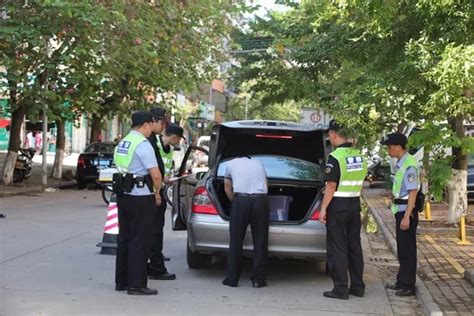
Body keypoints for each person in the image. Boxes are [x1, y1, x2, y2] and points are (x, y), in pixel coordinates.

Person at [113, 111, 163, 296]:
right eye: (151, 125)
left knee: (124, 238)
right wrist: (157, 191)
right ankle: (137, 284)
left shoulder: (124, 142)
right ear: (145, 125)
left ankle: (122, 280)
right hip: (141, 197)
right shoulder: (143, 145)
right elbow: (156, 175)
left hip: (124, 195)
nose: (152, 129)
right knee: (140, 240)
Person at [319, 120, 367, 300]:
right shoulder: (359, 156)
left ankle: (340, 289)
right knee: (354, 246)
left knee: (338, 247)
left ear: (333, 134)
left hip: (338, 206)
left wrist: (323, 208)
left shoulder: (336, 157)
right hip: (354, 204)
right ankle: (358, 287)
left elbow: (331, 185)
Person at [222, 156, 270, 288]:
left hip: (241, 200)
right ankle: (258, 279)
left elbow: (227, 187)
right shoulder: (259, 163)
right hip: (260, 200)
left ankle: (232, 279)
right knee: (260, 240)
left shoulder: (230, 163)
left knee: (236, 240)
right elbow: (266, 184)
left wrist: (235, 201)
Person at [382, 132, 419, 297]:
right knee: (402, 250)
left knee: (408, 250)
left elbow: (413, 193)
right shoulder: (401, 163)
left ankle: (408, 285)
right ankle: (401, 281)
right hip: (400, 210)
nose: (388, 151)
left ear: (398, 147)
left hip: (406, 212)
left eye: (390, 147)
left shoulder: (409, 164)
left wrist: (406, 217)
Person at [147, 109, 179, 280]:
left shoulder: (149, 140)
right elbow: (154, 173)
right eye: (162, 123)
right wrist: (156, 191)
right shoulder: (149, 142)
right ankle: (155, 268)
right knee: (153, 233)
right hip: (150, 193)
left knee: (153, 232)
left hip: (152, 191)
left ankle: (153, 265)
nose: (163, 126)